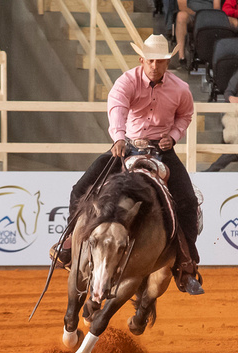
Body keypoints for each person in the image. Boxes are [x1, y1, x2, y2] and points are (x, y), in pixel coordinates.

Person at [51, 35, 204, 295]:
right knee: (81, 189)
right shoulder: (127, 81)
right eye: (151, 60)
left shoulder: (180, 89)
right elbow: (117, 108)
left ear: (167, 62)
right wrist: (119, 138)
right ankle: (68, 244)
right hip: (128, 145)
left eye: (161, 61)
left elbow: (185, 115)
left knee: (188, 202)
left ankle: (186, 264)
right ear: (141, 60)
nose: (155, 66)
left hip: (161, 151)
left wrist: (174, 136)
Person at [175, 0, 221, 67]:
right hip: (191, 14)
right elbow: (182, 6)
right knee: (181, 16)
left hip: (209, 15)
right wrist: (197, 15)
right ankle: (181, 57)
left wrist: (205, 16)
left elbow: (217, 7)